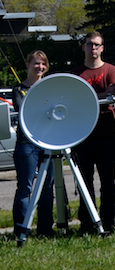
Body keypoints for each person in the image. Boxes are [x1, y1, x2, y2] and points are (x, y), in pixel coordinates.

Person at [72, 31, 115, 232]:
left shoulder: (111, 70)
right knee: (84, 183)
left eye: (97, 45)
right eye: (89, 44)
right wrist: (99, 97)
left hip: (107, 134)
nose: (93, 48)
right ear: (83, 47)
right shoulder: (76, 74)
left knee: (107, 182)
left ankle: (109, 223)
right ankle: (87, 223)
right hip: (83, 136)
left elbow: (113, 93)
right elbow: (73, 98)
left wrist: (87, 97)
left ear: (102, 48)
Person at [12, 51, 55, 237]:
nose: (40, 67)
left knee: (47, 187)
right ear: (28, 65)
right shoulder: (18, 90)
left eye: (43, 64)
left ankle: (45, 230)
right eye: (36, 63)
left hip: (48, 143)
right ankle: (22, 229)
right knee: (25, 188)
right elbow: (24, 110)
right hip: (26, 144)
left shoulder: (50, 88)